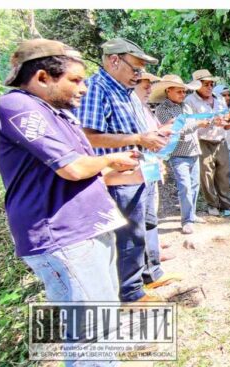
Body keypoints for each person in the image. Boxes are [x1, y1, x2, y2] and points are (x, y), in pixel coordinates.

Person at [0, 38, 139, 367]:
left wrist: (122, 169)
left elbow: (88, 171)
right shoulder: (17, 106)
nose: (83, 88)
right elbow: (73, 168)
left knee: (101, 304)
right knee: (87, 321)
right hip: (61, 232)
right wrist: (111, 159)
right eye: (75, 80)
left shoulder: (58, 113)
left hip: (88, 226)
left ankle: (106, 364)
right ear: (42, 77)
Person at [76, 38, 176, 303]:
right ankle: (131, 293)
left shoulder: (127, 92)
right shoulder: (97, 89)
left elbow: (139, 132)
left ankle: (148, 276)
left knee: (144, 228)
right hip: (120, 178)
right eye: (136, 68)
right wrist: (139, 139)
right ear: (114, 60)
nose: (139, 75)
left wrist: (155, 136)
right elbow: (88, 136)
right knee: (129, 236)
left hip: (141, 171)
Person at [133, 72, 179, 277]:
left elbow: (151, 135)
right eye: (145, 86)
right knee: (143, 217)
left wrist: (163, 130)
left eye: (150, 86)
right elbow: (142, 139)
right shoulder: (132, 108)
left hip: (150, 167)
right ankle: (149, 264)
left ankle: (154, 254)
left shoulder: (143, 108)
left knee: (151, 213)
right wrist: (163, 131)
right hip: (139, 171)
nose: (149, 90)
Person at [184, 69, 230, 217]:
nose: (210, 87)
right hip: (203, 141)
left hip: (220, 140)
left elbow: (224, 122)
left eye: (211, 84)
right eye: (206, 84)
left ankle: (226, 204)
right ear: (197, 85)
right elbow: (190, 123)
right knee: (206, 174)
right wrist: (211, 121)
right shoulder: (189, 101)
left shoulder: (219, 99)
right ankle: (212, 204)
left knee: (224, 173)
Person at [152, 74, 206, 234]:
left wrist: (201, 123)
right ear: (168, 91)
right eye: (179, 92)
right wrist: (198, 124)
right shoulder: (162, 110)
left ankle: (191, 214)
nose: (183, 95)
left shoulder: (186, 106)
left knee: (194, 185)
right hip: (178, 154)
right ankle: (187, 220)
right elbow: (175, 130)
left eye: (184, 91)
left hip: (193, 151)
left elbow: (191, 123)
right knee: (185, 187)